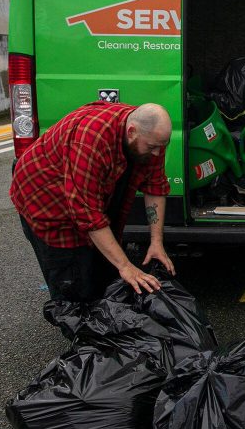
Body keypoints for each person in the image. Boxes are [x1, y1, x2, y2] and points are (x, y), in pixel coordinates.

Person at [10, 101, 176, 302]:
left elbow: (155, 185)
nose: (157, 153)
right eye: (152, 147)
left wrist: (156, 242)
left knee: (102, 272)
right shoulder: (90, 140)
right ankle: (77, 323)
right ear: (131, 132)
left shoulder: (151, 137)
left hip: (81, 196)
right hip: (44, 200)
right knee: (72, 281)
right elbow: (87, 214)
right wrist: (125, 266)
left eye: (162, 146)